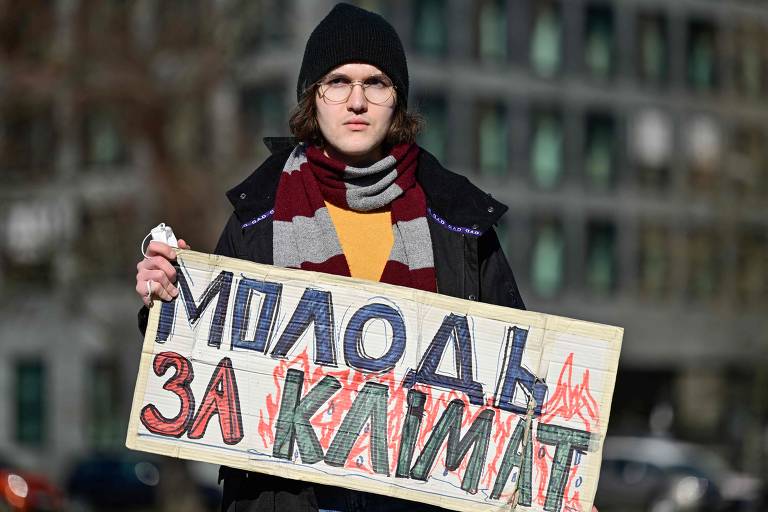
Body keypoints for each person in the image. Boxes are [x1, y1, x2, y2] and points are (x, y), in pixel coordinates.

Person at [135, 3, 528, 511]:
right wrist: (165, 297)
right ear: (313, 99)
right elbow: (207, 363)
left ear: (398, 101)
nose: (357, 101)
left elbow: (519, 378)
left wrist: (557, 485)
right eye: (337, 82)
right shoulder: (259, 218)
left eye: (377, 83)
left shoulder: (459, 223)